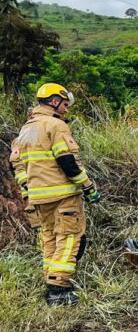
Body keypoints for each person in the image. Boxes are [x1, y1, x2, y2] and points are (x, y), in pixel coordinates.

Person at [10, 83, 101, 306]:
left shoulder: (25, 129)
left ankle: (51, 280)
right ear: (53, 102)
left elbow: (17, 165)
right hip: (63, 195)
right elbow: (67, 162)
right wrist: (88, 187)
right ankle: (60, 289)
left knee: (50, 238)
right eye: (64, 104)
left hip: (38, 198)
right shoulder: (55, 125)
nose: (66, 109)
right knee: (70, 237)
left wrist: (28, 190)